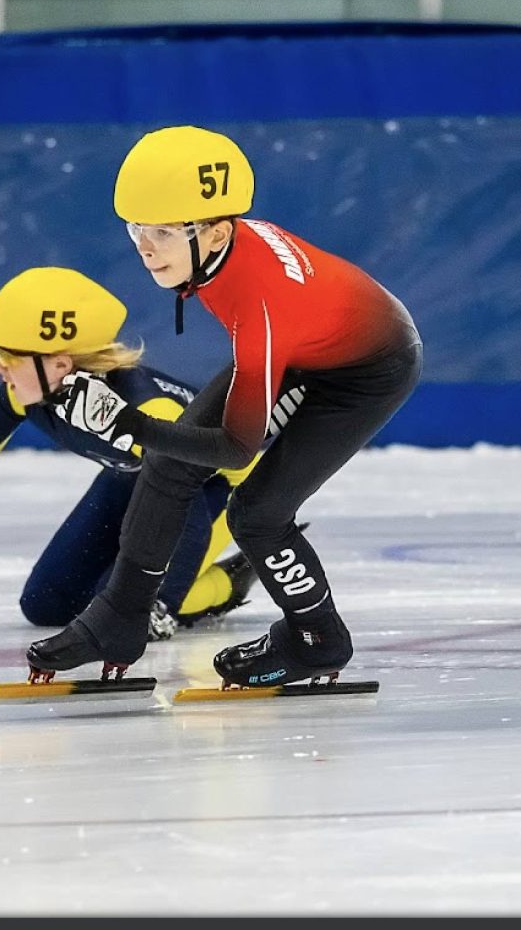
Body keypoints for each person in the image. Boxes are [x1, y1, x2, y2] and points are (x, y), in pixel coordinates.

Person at [27, 125, 423, 687]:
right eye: (135, 228)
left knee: (257, 513)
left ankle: (318, 640)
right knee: (168, 463)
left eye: (162, 231)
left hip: (365, 373)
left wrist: (129, 422)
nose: (144, 246)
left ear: (214, 235)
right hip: (312, 342)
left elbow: (236, 449)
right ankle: (120, 617)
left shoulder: (261, 306)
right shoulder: (220, 246)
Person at [0, 265, 263, 640]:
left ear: (59, 364)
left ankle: (227, 583)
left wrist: (161, 602)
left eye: (7, 356)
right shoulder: (29, 392)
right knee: (46, 604)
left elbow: (194, 499)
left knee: (114, 607)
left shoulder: (147, 410)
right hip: (135, 479)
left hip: (225, 491)